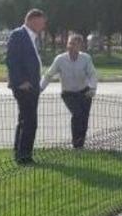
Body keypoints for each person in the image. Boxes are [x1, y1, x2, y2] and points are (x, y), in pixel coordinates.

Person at [40, 34, 98, 149]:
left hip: (84, 92)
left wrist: (92, 88)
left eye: (74, 44)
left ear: (80, 46)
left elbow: (92, 74)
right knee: (77, 114)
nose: (71, 46)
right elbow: (48, 75)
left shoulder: (86, 58)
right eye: (70, 43)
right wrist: (40, 89)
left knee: (84, 119)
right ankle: (76, 144)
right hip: (68, 93)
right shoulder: (60, 59)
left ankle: (81, 145)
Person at [6, 9, 46, 164]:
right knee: (30, 122)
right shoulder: (19, 35)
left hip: (32, 85)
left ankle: (20, 153)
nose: (43, 26)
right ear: (32, 20)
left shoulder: (33, 37)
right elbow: (12, 60)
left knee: (24, 120)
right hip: (24, 86)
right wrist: (20, 81)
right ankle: (24, 157)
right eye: (41, 22)